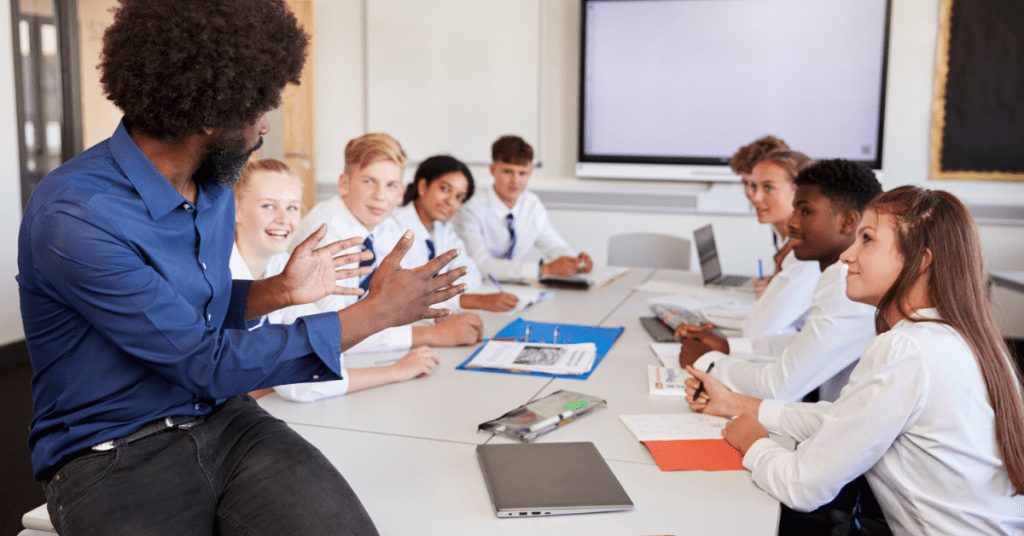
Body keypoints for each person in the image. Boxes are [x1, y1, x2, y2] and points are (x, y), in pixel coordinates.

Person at [16, 1, 466, 534]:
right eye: (258, 109)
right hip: (112, 453)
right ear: (211, 112)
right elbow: (200, 360)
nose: (265, 126)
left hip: (222, 419)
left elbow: (184, 310)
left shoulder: (212, 187)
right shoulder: (75, 217)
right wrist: (375, 314)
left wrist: (275, 291)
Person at [685, 186, 1024, 535]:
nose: (847, 255)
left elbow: (801, 487)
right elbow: (846, 420)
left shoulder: (905, 349)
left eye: (867, 239)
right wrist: (736, 404)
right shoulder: (962, 339)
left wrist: (752, 441)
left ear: (920, 261)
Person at [231, 159, 439, 400]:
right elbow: (297, 383)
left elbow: (321, 347)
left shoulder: (279, 264)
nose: (283, 219)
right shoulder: (220, 277)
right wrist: (396, 371)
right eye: (268, 206)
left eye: (292, 208)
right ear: (235, 209)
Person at [678, 159, 882, 402]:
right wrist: (728, 348)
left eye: (805, 211)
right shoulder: (839, 274)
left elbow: (780, 387)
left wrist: (707, 361)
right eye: (795, 209)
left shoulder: (847, 284)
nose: (792, 222)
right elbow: (804, 344)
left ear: (847, 222)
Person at [271, 133, 483, 348]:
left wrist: (436, 315)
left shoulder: (380, 225)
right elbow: (337, 330)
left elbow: (399, 295)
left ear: (400, 193)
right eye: (369, 182)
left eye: (391, 185)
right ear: (344, 184)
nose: (380, 196)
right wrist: (432, 335)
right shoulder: (328, 232)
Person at [454, 135, 593, 281]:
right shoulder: (470, 206)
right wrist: (543, 269)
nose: (515, 181)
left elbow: (554, 245)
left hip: (513, 286)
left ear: (530, 172)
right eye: (508, 172)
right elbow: (481, 264)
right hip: (473, 286)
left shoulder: (531, 204)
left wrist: (577, 261)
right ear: (493, 170)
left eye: (522, 173)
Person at [394, 155, 520, 312]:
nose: (451, 202)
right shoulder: (394, 228)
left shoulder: (444, 230)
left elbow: (471, 272)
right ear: (423, 187)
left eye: (459, 197)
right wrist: (466, 299)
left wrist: (443, 292)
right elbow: (404, 294)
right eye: (445, 189)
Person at [738, 150, 822, 339]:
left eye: (768, 188)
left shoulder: (806, 253)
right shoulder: (791, 245)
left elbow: (756, 333)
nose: (755, 197)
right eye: (753, 186)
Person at [729, 135, 791, 291]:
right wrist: (777, 282)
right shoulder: (778, 221)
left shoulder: (804, 234)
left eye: (765, 186)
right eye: (746, 183)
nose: (751, 194)